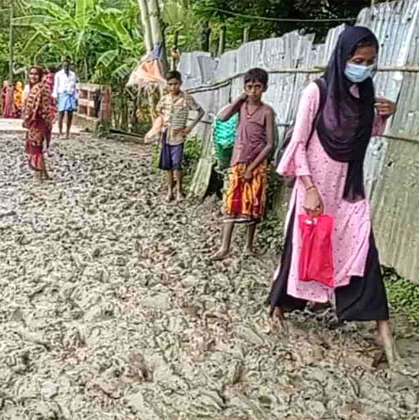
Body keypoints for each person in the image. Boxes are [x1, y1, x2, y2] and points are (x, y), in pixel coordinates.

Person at [266, 26, 399, 364]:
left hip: (348, 189)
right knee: (303, 249)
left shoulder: (364, 95)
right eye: (358, 60)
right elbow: (297, 144)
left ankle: (381, 327)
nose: (364, 68)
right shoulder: (317, 92)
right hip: (315, 187)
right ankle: (278, 307)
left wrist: (383, 116)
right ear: (342, 57)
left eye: (370, 62)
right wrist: (308, 188)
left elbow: (364, 136)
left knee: (361, 248)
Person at [212, 68, 275, 260]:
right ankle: (224, 247)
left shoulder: (267, 112)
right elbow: (222, 117)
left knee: (253, 205)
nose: (253, 91)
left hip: (256, 165)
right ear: (244, 88)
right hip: (237, 162)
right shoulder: (241, 107)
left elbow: (270, 144)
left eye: (257, 87)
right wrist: (239, 99)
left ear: (264, 88)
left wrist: (252, 167)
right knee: (230, 203)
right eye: (249, 87)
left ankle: (248, 245)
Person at [155, 70, 205, 202]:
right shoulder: (164, 99)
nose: (173, 87)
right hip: (166, 135)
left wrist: (189, 128)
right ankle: (170, 191)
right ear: (167, 85)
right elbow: (158, 111)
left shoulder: (186, 98)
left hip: (178, 136)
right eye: (170, 84)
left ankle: (179, 191)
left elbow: (201, 112)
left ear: (180, 83)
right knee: (168, 165)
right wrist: (161, 125)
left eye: (175, 84)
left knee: (177, 164)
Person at [23, 66, 56, 181]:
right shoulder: (33, 88)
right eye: (31, 74)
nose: (33, 76)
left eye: (36, 74)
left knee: (36, 147)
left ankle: (38, 175)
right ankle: (44, 173)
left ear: (41, 76)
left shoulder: (41, 88)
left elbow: (45, 107)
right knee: (37, 147)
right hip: (35, 122)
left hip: (38, 121)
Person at [52, 57, 79, 139]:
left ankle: (67, 132)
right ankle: (60, 132)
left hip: (70, 94)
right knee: (61, 113)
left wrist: (76, 97)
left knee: (70, 114)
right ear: (62, 66)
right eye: (64, 66)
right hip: (62, 94)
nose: (66, 67)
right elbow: (56, 85)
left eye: (67, 65)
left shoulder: (73, 75)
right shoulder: (58, 75)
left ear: (69, 66)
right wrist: (55, 96)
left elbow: (75, 86)